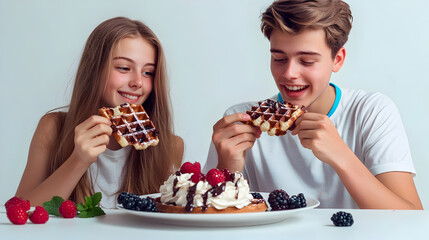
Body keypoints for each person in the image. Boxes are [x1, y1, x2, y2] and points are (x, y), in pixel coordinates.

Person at [204, 0, 423, 209]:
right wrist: (226, 169)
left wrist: (342, 157)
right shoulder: (240, 121)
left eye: (307, 61)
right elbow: (209, 225)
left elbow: (410, 218)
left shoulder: (371, 112)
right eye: (279, 58)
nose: (289, 73)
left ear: (337, 59)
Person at [15, 17, 184, 208]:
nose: (137, 81)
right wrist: (78, 160)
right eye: (124, 68)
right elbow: (20, 212)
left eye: (148, 73)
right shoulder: (53, 128)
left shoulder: (171, 146)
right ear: (94, 69)